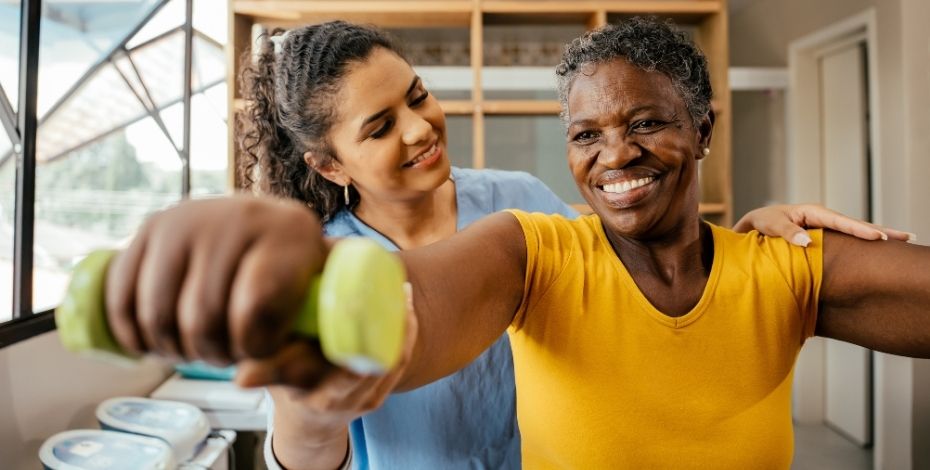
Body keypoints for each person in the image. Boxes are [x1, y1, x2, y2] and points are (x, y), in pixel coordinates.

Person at [101, 18, 924, 469]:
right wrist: (300, 323)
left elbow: (628, 263)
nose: (421, 129)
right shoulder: (350, 256)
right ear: (328, 163)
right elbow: (401, 311)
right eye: (382, 126)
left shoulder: (520, 204)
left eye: (418, 97)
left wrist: (762, 230)